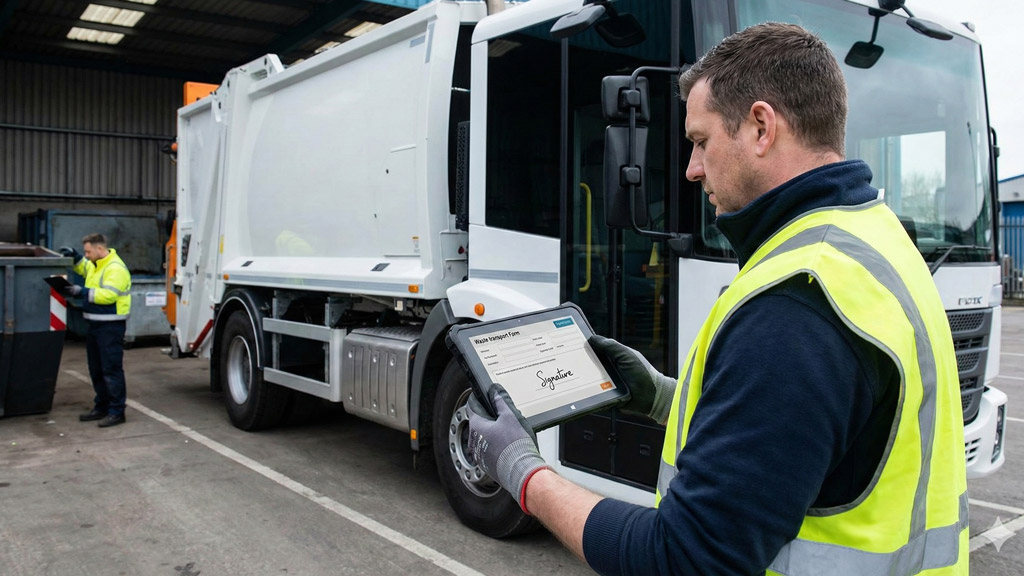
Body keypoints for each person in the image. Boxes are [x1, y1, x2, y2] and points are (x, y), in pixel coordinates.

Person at [467, 22, 968, 575]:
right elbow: (806, 440)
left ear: (760, 127)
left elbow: (683, 558)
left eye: (702, 141)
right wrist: (661, 397)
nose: (691, 169)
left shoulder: (797, 303)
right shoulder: (873, 236)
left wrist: (520, 470)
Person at [60, 233, 132, 428]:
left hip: (110, 326)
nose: (87, 255)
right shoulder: (98, 263)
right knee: (97, 369)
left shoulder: (115, 268)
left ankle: (117, 412)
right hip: (95, 325)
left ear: (100, 249)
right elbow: (85, 267)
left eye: (88, 251)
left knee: (111, 369)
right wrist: (75, 256)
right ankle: (101, 407)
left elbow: (109, 295)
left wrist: (81, 291)